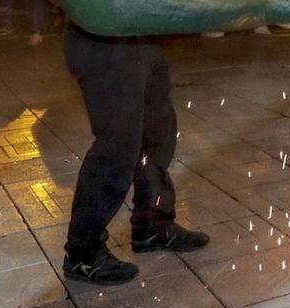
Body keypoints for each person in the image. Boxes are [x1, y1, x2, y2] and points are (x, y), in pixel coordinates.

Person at [60, 25, 210, 284]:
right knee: (118, 147)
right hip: (104, 40)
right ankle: (83, 254)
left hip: (142, 37)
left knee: (158, 135)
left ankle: (152, 225)